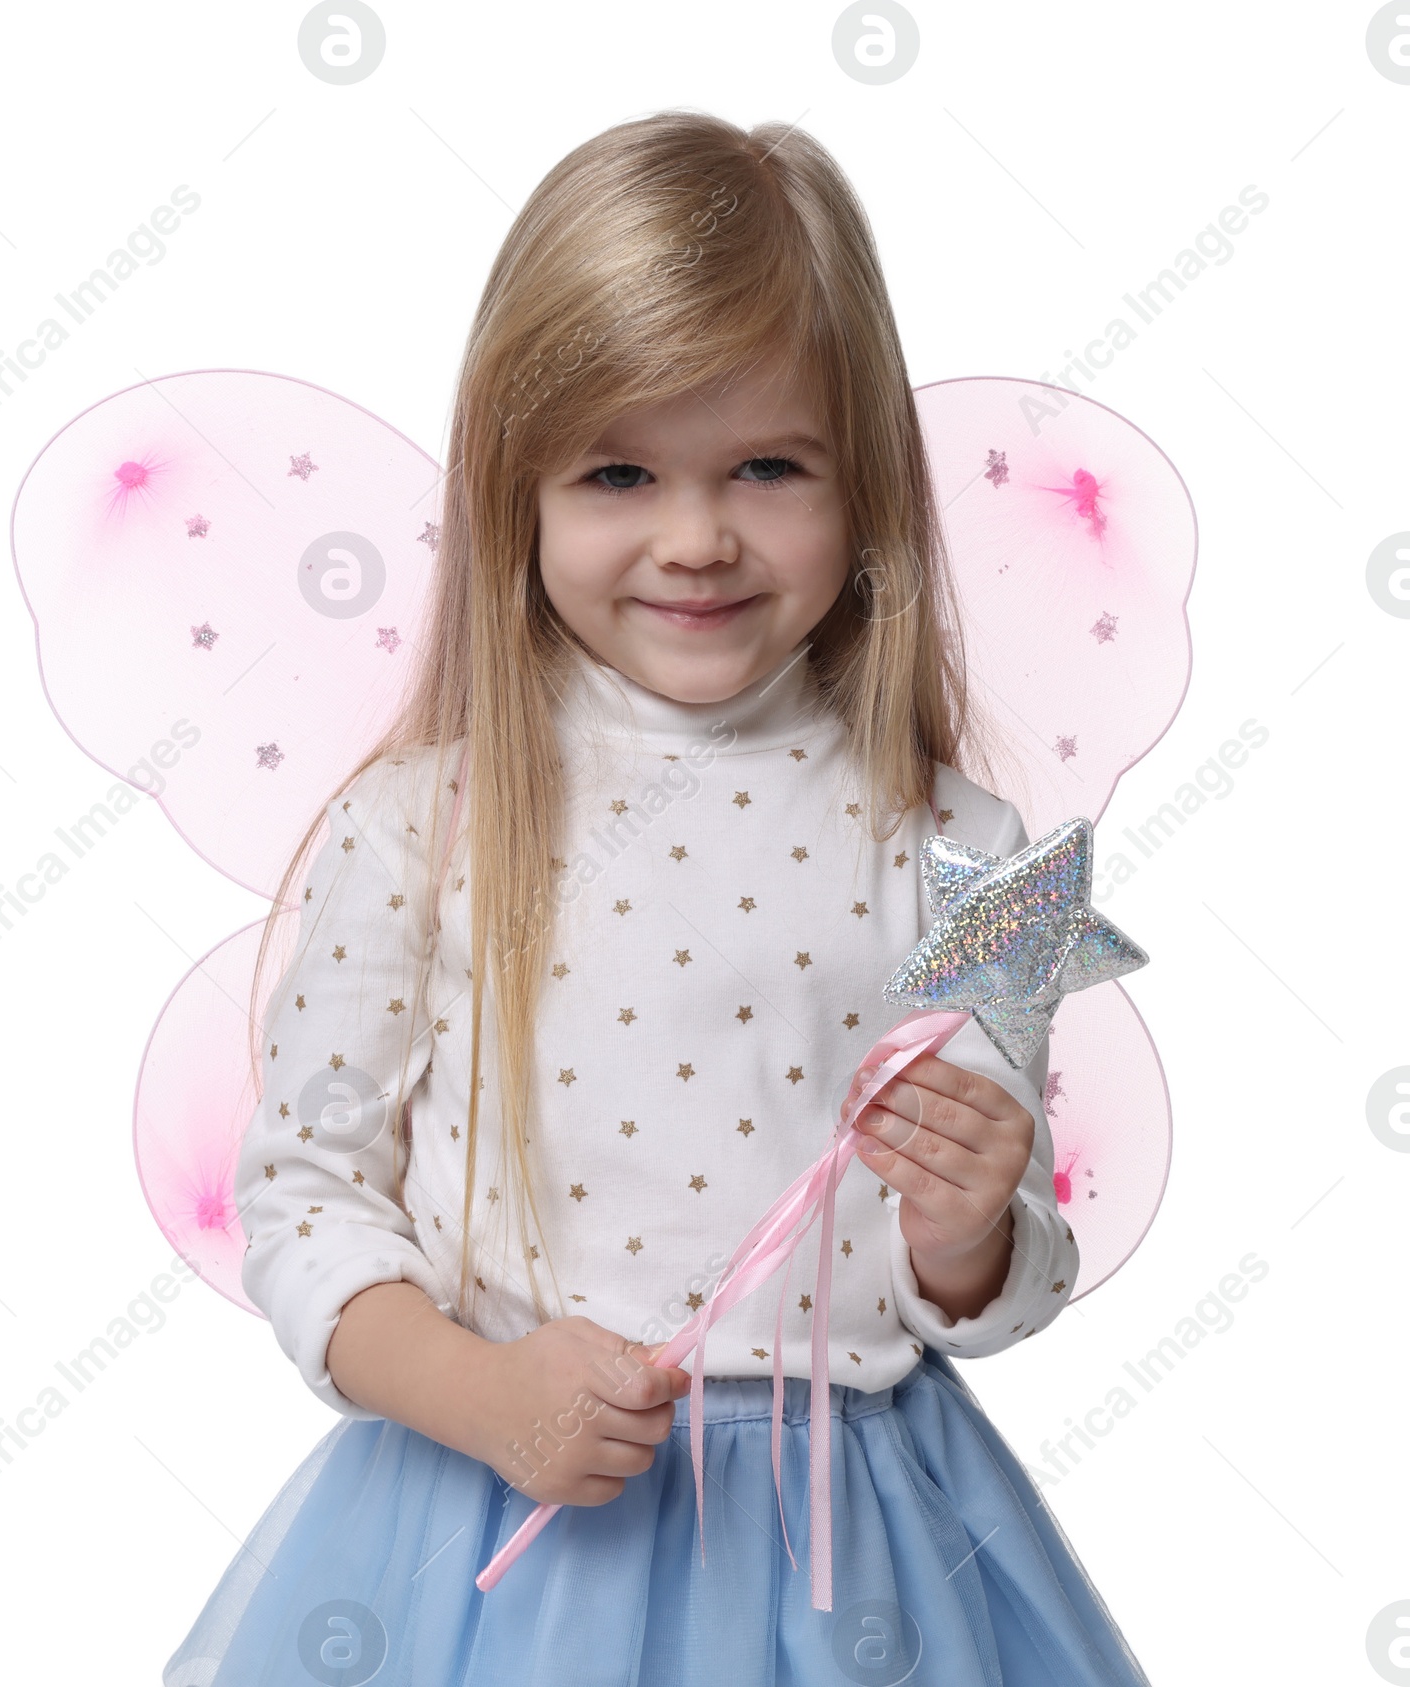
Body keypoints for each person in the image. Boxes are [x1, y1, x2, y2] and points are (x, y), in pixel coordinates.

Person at [165, 109, 1152, 1686]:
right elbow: (299, 1204)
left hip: (855, 1569)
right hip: (494, 1540)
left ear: (868, 485)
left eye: (769, 466)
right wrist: (481, 1397)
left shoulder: (979, 852)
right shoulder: (423, 825)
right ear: (519, 493)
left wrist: (968, 1228)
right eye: (620, 471)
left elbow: (1006, 1287)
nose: (698, 538)